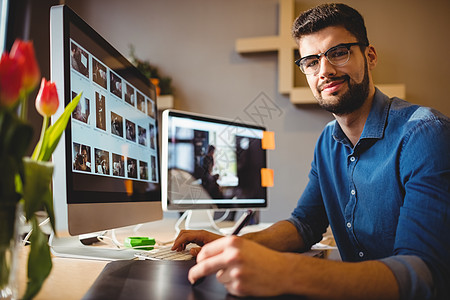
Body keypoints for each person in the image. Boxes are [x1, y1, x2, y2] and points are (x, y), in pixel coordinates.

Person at [172, 3, 450, 300]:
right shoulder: (327, 141)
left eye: (338, 53)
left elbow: (423, 275)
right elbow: (304, 225)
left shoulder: (425, 134)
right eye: (311, 61)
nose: (325, 71)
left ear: (370, 57)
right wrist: (233, 243)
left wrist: (285, 271)